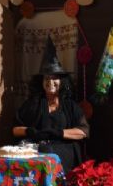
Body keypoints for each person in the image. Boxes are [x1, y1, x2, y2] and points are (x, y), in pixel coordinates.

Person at [12, 37, 88, 172]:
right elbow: (15, 130)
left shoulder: (70, 106)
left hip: (63, 149)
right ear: (41, 82)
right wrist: (30, 131)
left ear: (62, 81)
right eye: (47, 78)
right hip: (37, 148)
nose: (50, 82)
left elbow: (83, 132)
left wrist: (58, 133)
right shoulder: (33, 103)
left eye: (55, 78)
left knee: (48, 152)